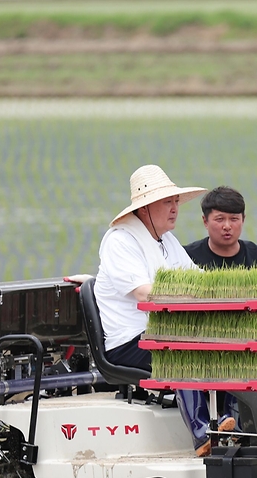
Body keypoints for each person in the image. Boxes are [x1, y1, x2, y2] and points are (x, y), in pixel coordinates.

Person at [93, 165, 233, 456]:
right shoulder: (120, 241)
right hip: (130, 341)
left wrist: (228, 290)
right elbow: (144, 292)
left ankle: (230, 418)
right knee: (183, 348)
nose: (175, 208)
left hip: (161, 332)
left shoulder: (165, 240)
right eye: (167, 202)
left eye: (175, 202)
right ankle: (201, 431)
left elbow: (196, 277)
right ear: (144, 209)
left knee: (228, 342)